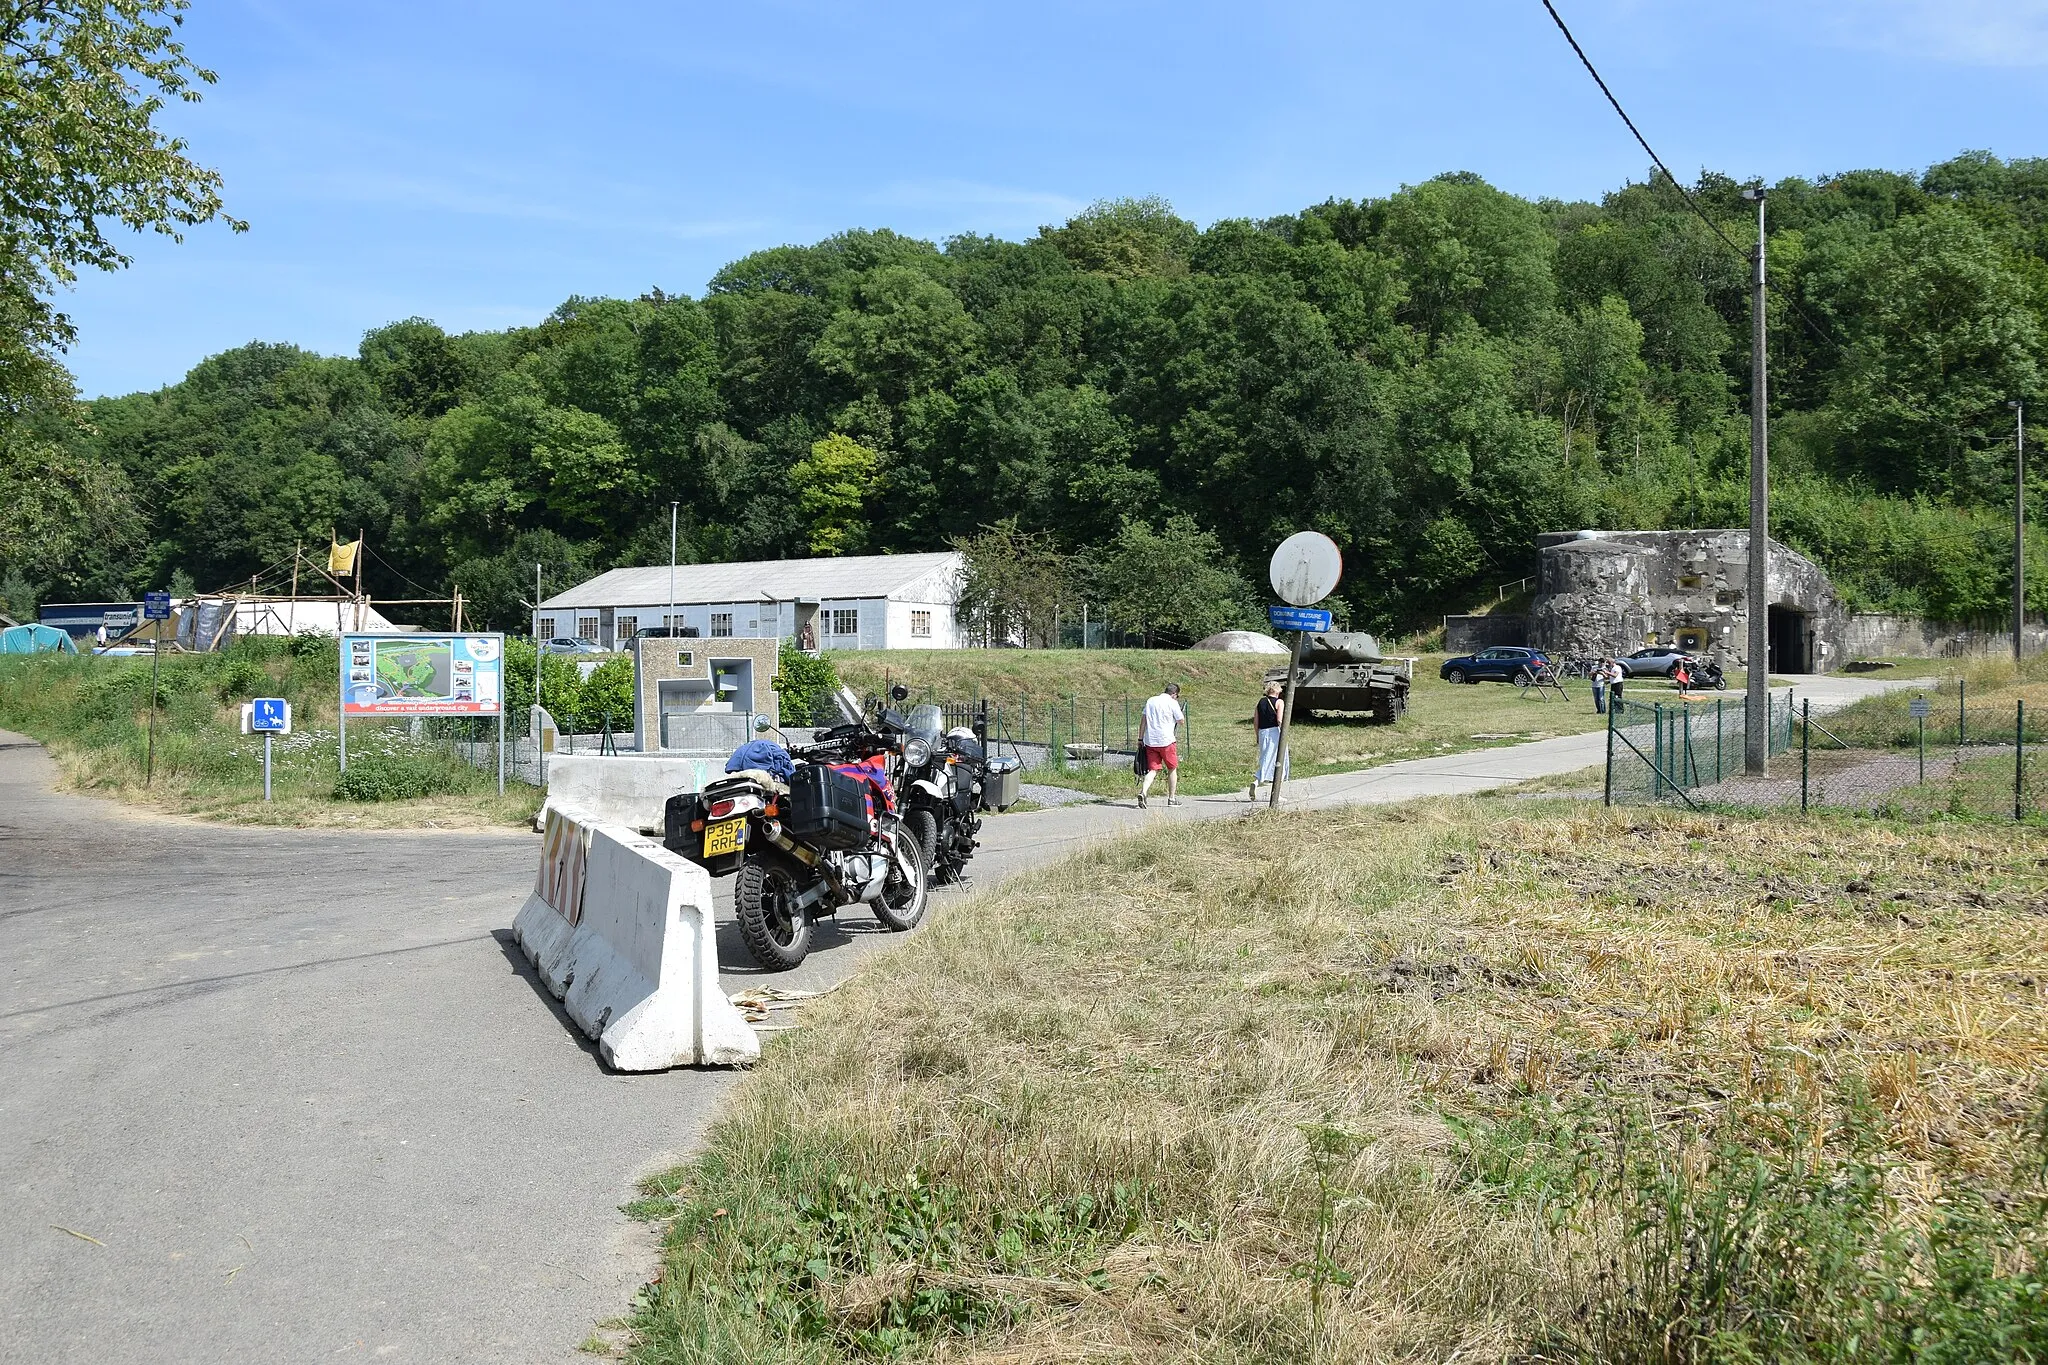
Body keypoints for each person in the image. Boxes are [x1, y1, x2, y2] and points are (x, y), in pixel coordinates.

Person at [1138, 682, 1185, 808]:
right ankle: (1171, 798)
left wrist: (1140, 738)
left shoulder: (1150, 701)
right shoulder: (1172, 702)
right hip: (1167, 741)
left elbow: (1143, 721)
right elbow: (1181, 721)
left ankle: (1143, 792)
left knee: (1153, 769)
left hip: (1151, 741)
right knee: (1172, 768)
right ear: (1174, 694)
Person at [1250, 680, 1288, 801]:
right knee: (1280, 760)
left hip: (1262, 732)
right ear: (1277, 691)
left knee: (1265, 758)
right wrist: (1284, 734)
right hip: (1274, 733)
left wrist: (1257, 736)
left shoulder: (1260, 702)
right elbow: (1280, 720)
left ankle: (1257, 781)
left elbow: (1255, 722)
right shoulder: (1279, 702)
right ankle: (1276, 793)